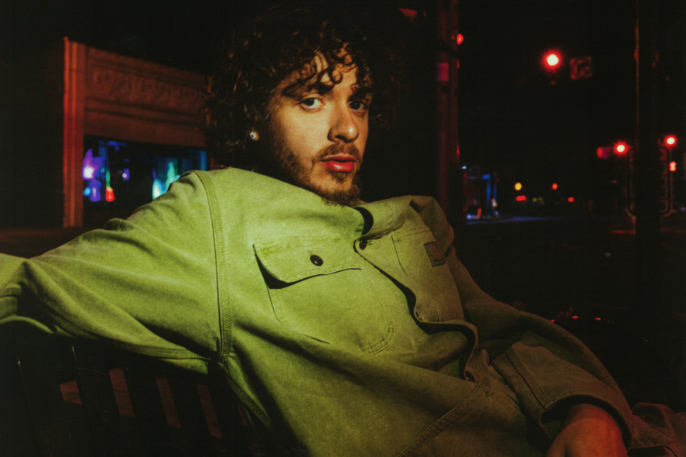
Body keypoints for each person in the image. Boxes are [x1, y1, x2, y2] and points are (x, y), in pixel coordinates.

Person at [0, 2, 683, 456]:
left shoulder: (414, 219)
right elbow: (30, 282)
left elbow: (504, 332)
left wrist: (587, 409)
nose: (347, 126)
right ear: (254, 117)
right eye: (311, 98)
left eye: (358, 101)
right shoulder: (215, 213)